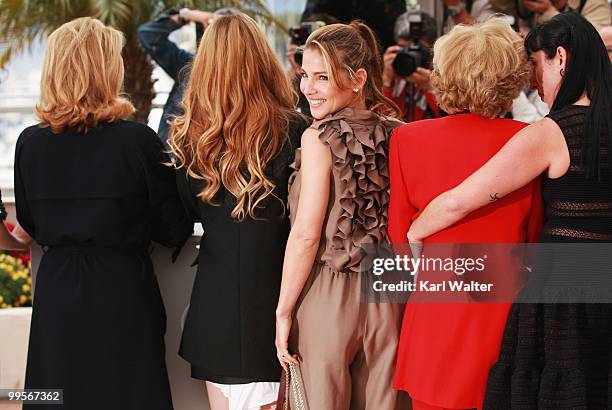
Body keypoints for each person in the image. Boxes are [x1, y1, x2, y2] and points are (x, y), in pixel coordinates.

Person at [406, 13, 612, 408]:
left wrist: (416, 231)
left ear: (561, 59)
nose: (533, 82)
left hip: (565, 290)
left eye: (536, 64)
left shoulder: (553, 131)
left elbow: (464, 198)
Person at [15, 17, 192, 410]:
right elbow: (174, 228)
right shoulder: (136, 141)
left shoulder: (29, 144)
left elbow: (30, 220)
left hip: (58, 292)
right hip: (122, 291)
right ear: (105, 69)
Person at [389, 19, 544, 410]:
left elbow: (399, 246)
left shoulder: (408, 139)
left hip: (435, 316)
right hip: (503, 318)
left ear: (445, 73)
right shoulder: (530, 142)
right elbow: (535, 243)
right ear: (512, 76)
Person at [167, 13, 308, 410]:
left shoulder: (189, 136)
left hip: (212, 313)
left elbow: (182, 215)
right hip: (275, 309)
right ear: (262, 62)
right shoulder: (295, 131)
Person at [275, 21, 408, 410]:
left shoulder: (316, 138)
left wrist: (283, 312)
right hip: (391, 289)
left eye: (322, 77)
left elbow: (305, 236)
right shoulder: (401, 132)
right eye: (305, 75)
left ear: (358, 79)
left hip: (329, 293)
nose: (308, 88)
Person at [138, 8, 219, 144]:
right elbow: (148, 35)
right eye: (217, 28)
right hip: (173, 158)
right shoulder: (188, 66)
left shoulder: (251, 80)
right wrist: (185, 16)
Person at [382, 11, 442, 123]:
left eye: (417, 50)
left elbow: (450, 120)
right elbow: (379, 120)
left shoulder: (445, 73)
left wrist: (432, 89)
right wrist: (386, 81)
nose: (411, 56)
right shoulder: (391, 69)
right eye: (405, 49)